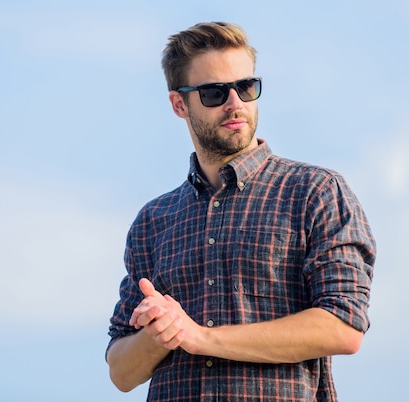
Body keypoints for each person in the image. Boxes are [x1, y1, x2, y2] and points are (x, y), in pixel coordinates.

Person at [106, 21, 375, 401]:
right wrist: (158, 334)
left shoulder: (315, 191)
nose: (236, 104)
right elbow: (120, 370)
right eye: (215, 92)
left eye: (246, 88)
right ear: (179, 104)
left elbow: (343, 327)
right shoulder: (154, 221)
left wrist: (200, 336)